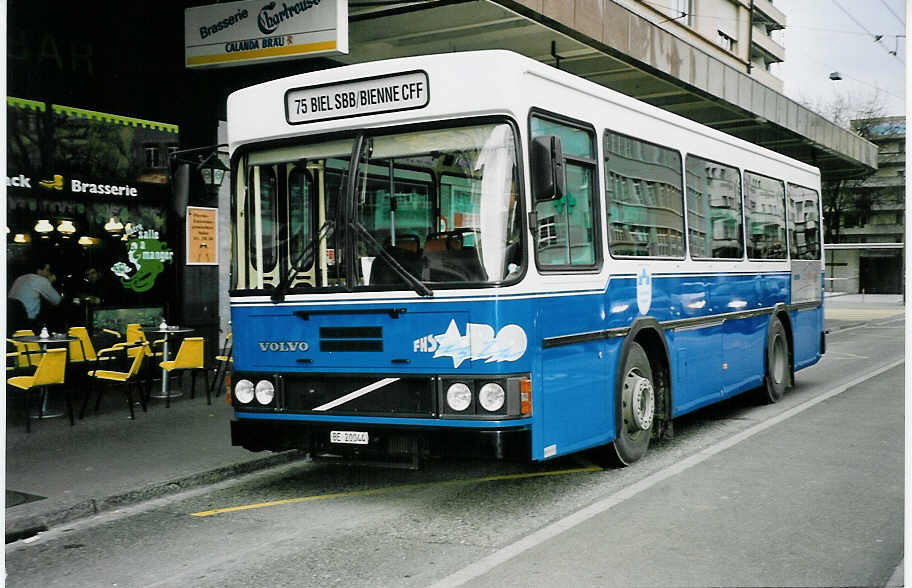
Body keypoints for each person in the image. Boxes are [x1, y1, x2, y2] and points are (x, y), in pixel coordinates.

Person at [8, 260, 64, 333]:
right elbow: (57, 300)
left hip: (11, 319)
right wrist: (51, 282)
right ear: (39, 271)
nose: (49, 273)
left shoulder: (20, 278)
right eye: (47, 270)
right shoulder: (41, 280)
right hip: (28, 322)